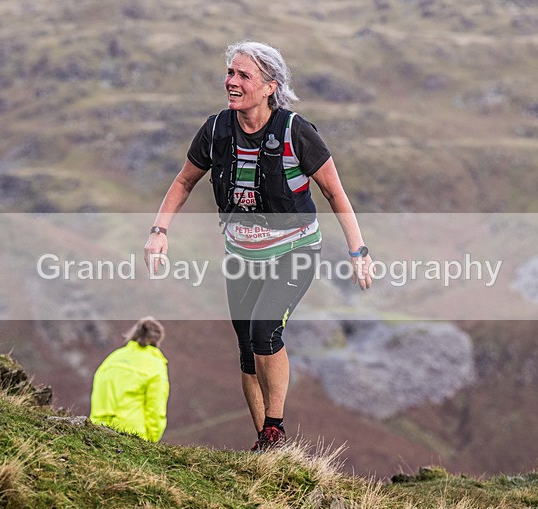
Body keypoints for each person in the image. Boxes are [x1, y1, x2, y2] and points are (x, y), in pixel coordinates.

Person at [144, 41, 372, 451]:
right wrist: (159, 232)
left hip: (294, 251)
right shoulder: (216, 130)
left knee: (266, 331)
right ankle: (267, 448)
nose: (231, 82)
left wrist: (359, 253)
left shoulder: (295, 131)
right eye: (230, 73)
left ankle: (274, 427)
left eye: (243, 75)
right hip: (242, 257)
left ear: (270, 86)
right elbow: (183, 181)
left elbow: (336, 194)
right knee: (247, 349)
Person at [89, 317, 170, 442]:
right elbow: (155, 408)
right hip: (133, 435)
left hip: (98, 431)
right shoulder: (155, 366)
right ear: (157, 340)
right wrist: (152, 439)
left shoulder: (111, 359)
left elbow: (98, 395)